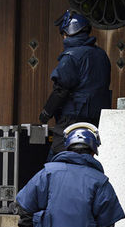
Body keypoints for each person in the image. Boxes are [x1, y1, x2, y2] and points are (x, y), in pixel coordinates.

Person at [15, 122, 124, 227]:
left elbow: (25, 206)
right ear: (93, 152)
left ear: (67, 148)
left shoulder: (48, 173)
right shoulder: (100, 181)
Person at [39, 9, 111, 157]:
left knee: (56, 159)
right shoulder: (101, 55)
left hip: (72, 119)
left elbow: (61, 90)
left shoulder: (71, 57)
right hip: (96, 119)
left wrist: (47, 112)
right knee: (87, 157)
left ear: (66, 33)